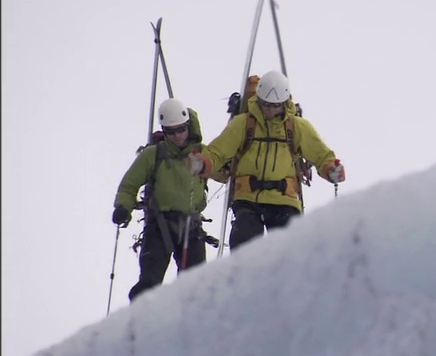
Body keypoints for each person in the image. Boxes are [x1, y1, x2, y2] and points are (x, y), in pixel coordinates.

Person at [188, 70, 346, 251]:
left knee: (288, 251)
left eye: (275, 105)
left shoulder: (297, 127)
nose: (270, 110)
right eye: (266, 105)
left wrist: (330, 169)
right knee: (244, 244)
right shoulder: (243, 124)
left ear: (284, 103)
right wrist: (204, 162)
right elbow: (218, 151)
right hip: (247, 199)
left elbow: (321, 154)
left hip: (284, 201)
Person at [112, 98, 213, 302]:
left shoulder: (201, 153)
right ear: (164, 132)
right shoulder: (154, 154)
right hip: (159, 227)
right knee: (150, 281)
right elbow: (129, 184)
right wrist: (123, 207)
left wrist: (207, 166)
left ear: (188, 127)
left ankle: (192, 326)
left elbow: (221, 168)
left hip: (191, 228)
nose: (176, 136)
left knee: (196, 285)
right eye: (171, 132)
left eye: (181, 130)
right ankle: (141, 321)